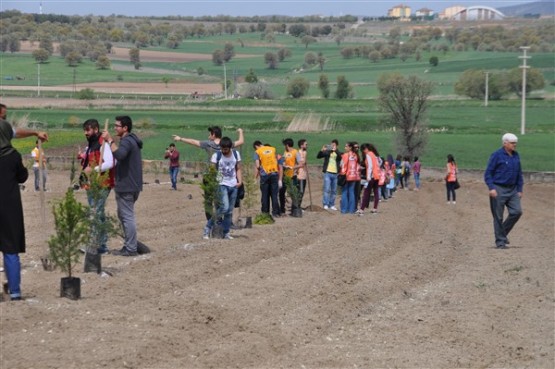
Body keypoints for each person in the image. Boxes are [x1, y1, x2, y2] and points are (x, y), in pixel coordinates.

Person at [172, 126, 244, 220]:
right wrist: (240, 131)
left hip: (209, 176)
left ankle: (210, 221)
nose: (208, 136)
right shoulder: (226, 144)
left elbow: (194, 142)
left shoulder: (208, 144)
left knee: (208, 200)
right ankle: (219, 221)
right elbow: (241, 141)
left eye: (210, 134)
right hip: (223, 177)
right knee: (220, 200)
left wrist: (180, 138)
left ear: (213, 135)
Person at [102, 116, 143, 257]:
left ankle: (131, 248)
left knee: (127, 216)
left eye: (117, 126)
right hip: (132, 185)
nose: (115, 128)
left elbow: (119, 155)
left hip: (127, 185)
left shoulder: (127, 141)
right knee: (124, 215)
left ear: (125, 128)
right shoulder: (132, 141)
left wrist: (109, 140)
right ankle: (130, 244)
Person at [0, 114, 29, 301]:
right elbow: (22, 177)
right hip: (9, 207)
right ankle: (15, 290)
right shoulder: (13, 156)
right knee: (10, 249)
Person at [78, 119, 115, 254]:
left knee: (95, 213)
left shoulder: (102, 143)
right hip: (92, 183)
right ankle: (102, 245)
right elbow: (88, 162)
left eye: (88, 130)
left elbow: (111, 162)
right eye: (84, 130)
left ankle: (94, 245)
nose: (85, 133)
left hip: (103, 183)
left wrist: (93, 169)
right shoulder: (91, 145)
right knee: (98, 214)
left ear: (95, 129)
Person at [484, 133, 524, 249]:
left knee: (517, 212)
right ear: (505, 143)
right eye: (512, 143)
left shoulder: (516, 156)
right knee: (498, 216)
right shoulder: (496, 155)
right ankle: (500, 242)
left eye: (515, 143)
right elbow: (488, 173)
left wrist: (520, 189)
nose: (514, 145)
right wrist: (491, 188)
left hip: (512, 190)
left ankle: (502, 234)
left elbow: (519, 174)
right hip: (498, 188)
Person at [204, 137, 242, 240]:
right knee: (224, 208)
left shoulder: (236, 154)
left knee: (229, 211)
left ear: (230, 148)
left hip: (233, 185)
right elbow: (212, 171)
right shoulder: (217, 156)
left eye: (226, 149)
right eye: (222, 148)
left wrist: (240, 181)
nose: (224, 151)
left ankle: (226, 233)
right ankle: (208, 227)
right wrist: (214, 183)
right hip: (221, 184)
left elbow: (238, 168)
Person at [253, 141, 282, 218]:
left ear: (257, 146)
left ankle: (265, 213)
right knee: (274, 194)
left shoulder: (257, 151)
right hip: (274, 173)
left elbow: (257, 165)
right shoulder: (272, 149)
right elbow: (276, 160)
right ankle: (275, 213)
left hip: (265, 175)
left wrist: (257, 174)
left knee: (265, 195)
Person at [317, 139, 342, 210]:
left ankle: (332, 204)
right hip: (327, 172)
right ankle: (325, 204)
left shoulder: (338, 153)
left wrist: (335, 150)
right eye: (331, 145)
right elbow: (319, 156)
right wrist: (322, 150)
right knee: (327, 189)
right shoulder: (328, 152)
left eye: (334, 145)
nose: (332, 146)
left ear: (337, 146)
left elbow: (340, 157)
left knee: (334, 190)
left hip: (335, 173)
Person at [357, 143, 380, 215]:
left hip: (372, 176)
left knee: (366, 192)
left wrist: (368, 177)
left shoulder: (368, 155)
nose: (363, 151)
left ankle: (361, 209)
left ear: (366, 149)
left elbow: (370, 166)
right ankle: (375, 208)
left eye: (363, 150)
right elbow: (378, 164)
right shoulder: (375, 155)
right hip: (377, 176)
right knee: (376, 192)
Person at [339, 142, 360, 214]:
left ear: (350, 147)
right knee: (352, 193)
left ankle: (344, 210)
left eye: (346, 146)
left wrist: (342, 174)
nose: (345, 148)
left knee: (344, 192)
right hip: (354, 176)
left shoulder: (345, 155)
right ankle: (351, 210)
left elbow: (343, 165)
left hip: (346, 176)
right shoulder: (355, 155)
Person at [279, 138, 298, 214]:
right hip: (284, 175)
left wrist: (293, 168)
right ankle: (282, 209)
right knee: (281, 193)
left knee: (292, 193)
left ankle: (294, 209)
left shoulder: (295, 152)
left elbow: (300, 164)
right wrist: (283, 164)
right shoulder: (285, 152)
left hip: (292, 176)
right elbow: (283, 161)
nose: (284, 147)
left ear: (287, 145)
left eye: (284, 145)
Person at [295, 139, 308, 208]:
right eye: (305, 144)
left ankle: (298, 205)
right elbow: (301, 163)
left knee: (301, 191)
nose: (307, 146)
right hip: (299, 175)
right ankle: (297, 206)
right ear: (301, 145)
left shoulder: (305, 152)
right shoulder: (298, 153)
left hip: (304, 175)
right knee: (300, 191)